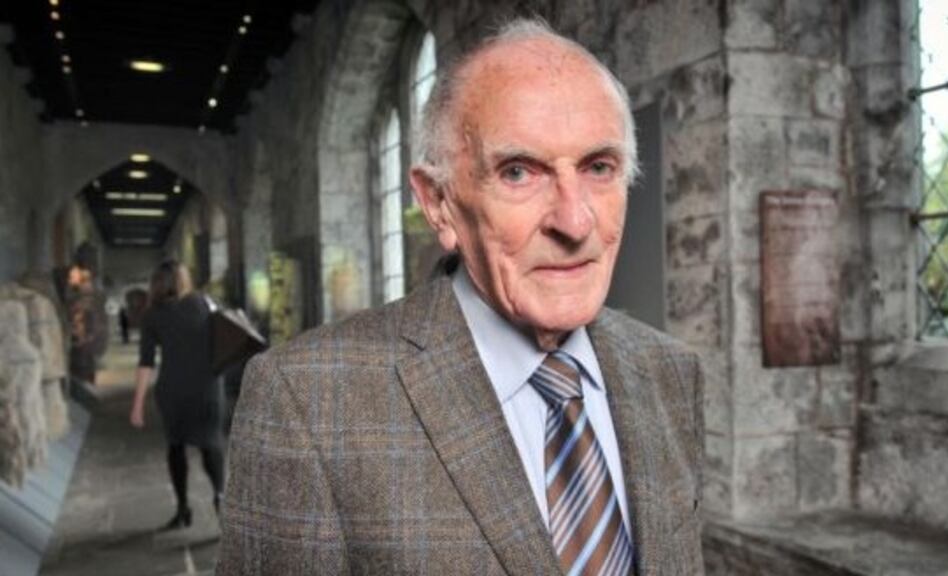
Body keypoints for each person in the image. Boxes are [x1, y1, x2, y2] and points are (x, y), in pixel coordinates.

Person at [218, 18, 704, 575]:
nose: (575, 221)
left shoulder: (671, 372)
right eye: (519, 172)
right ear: (439, 204)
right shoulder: (309, 402)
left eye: (599, 167)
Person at [130, 260, 225, 530]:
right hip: (208, 388)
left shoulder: (152, 315)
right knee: (212, 444)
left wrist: (137, 405)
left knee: (176, 448)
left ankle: (183, 509)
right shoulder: (205, 303)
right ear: (183, 279)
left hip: (173, 391)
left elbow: (146, 362)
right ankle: (220, 497)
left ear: (157, 284)